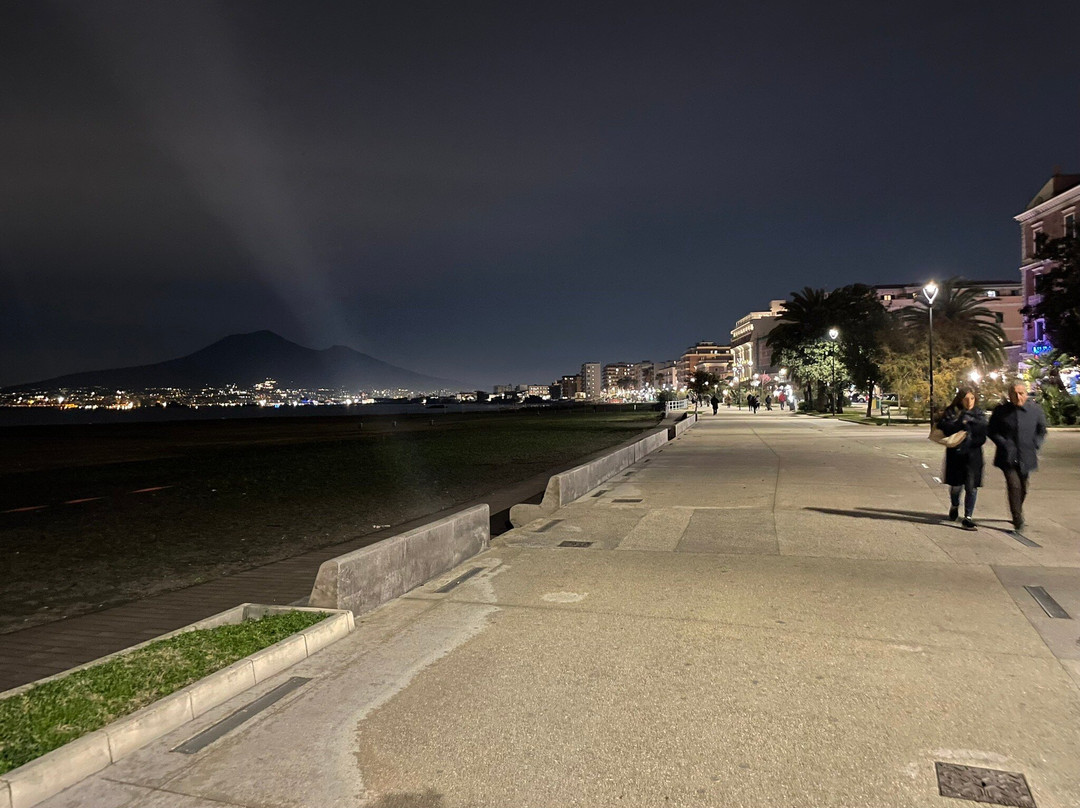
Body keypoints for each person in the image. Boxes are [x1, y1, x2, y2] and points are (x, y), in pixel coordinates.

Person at [988, 383, 1047, 532]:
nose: (1018, 397)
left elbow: (1042, 430)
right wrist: (1004, 443)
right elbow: (992, 431)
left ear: (1026, 394)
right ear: (1009, 395)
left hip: (1026, 454)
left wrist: (1036, 443)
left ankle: (1017, 509)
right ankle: (1017, 518)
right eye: (1014, 394)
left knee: (1024, 487)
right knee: (1014, 485)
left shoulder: (1035, 411)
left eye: (1021, 393)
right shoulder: (1001, 411)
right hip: (1007, 455)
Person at [937, 388, 988, 530]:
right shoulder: (952, 412)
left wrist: (973, 435)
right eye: (966, 399)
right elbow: (945, 428)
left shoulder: (978, 414)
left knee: (971, 487)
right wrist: (961, 422)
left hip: (973, 455)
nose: (969, 402)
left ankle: (968, 517)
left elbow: (983, 434)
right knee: (956, 486)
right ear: (960, 399)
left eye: (972, 398)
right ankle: (954, 505)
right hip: (956, 454)